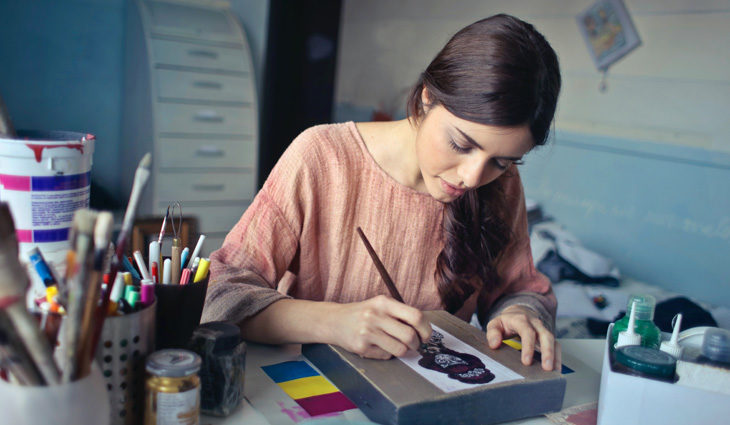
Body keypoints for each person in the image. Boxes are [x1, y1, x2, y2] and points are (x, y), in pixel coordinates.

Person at [201, 14, 562, 371]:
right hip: (309, 386)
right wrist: (333, 322)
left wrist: (520, 311)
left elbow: (520, 288)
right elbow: (221, 295)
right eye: (460, 143)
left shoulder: (500, 183)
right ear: (425, 98)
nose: (472, 177)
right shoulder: (321, 157)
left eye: (501, 161)